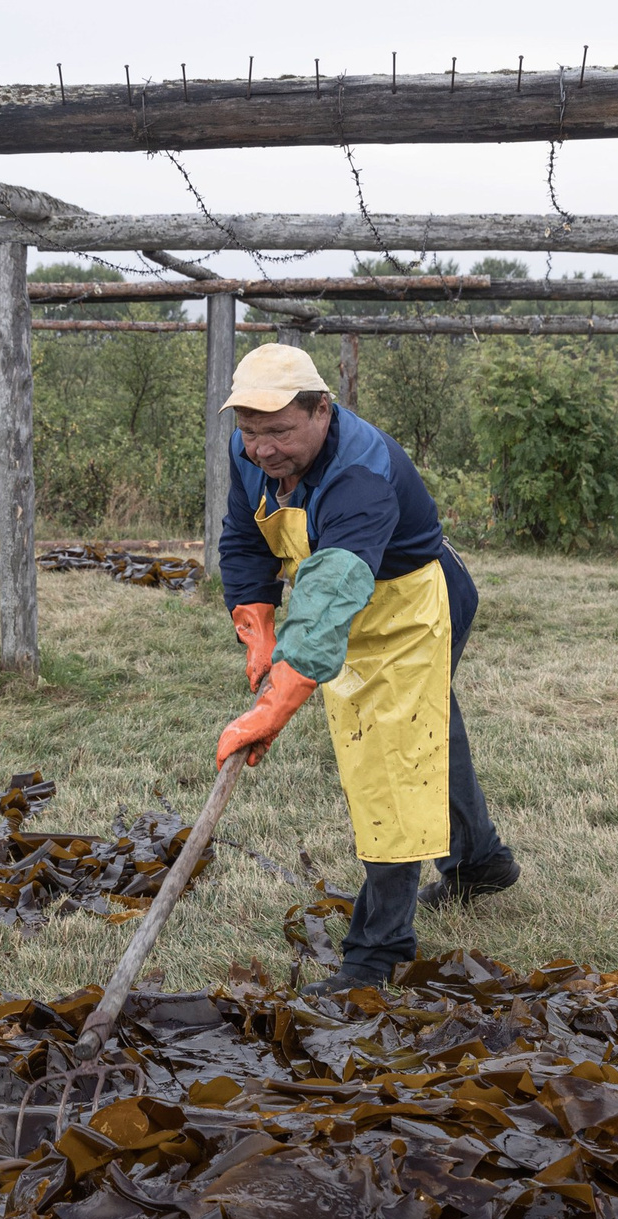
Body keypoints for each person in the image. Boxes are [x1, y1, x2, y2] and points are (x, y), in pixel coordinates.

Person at [213, 343, 519, 998]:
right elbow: (243, 539)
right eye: (250, 431)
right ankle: (480, 862)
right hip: (352, 606)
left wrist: (277, 701)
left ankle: (377, 954)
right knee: (429, 732)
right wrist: (256, 625)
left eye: (280, 431)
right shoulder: (251, 456)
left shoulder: (359, 473)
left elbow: (328, 599)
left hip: (412, 606)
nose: (263, 449)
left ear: (322, 410)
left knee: (392, 763)